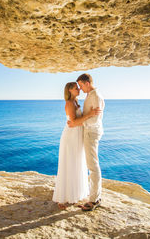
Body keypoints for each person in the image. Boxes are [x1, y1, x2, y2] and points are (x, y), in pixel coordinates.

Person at [52, 82, 101, 210]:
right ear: (69, 90)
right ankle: (62, 198)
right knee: (68, 164)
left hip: (77, 135)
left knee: (77, 163)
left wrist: (83, 120)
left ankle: (74, 194)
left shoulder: (76, 102)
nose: (78, 89)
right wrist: (90, 115)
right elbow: (73, 122)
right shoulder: (69, 103)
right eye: (75, 88)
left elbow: (76, 122)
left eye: (78, 87)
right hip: (70, 137)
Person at [68, 74, 105, 211]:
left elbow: (94, 120)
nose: (81, 88)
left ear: (87, 83)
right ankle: (94, 195)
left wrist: (78, 122)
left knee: (93, 166)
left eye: (81, 85)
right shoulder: (91, 95)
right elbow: (90, 116)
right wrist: (75, 122)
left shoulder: (95, 96)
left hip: (91, 133)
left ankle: (94, 199)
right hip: (89, 131)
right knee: (91, 164)